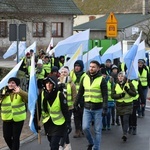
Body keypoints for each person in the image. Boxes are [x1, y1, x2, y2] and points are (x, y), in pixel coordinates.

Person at [75, 60, 108, 150]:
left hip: (98, 108)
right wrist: (75, 103)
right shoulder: (84, 77)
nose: (91, 68)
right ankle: (91, 142)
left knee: (98, 130)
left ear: (98, 68)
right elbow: (80, 92)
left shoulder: (102, 80)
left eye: (93, 67)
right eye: (90, 66)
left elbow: (105, 95)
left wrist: (105, 107)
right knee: (85, 128)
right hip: (87, 108)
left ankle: (96, 148)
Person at [34, 76, 71, 150]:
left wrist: (68, 123)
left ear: (54, 85)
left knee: (54, 145)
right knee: (51, 143)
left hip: (59, 123)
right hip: (48, 123)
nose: (48, 85)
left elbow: (65, 110)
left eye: (50, 83)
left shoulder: (59, 94)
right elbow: (38, 110)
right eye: (46, 83)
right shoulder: (42, 95)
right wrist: (36, 123)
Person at [0, 77, 28, 150]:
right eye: (9, 82)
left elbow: (28, 99)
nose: (10, 84)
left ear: (17, 84)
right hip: (6, 118)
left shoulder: (20, 92)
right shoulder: (3, 92)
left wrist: (20, 92)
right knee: (6, 137)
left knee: (15, 137)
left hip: (18, 119)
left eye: (13, 83)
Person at [111, 72, 136, 142]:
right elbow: (112, 95)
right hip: (119, 105)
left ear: (124, 77)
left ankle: (125, 133)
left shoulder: (129, 84)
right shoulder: (115, 85)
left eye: (122, 76)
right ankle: (124, 131)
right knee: (122, 119)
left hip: (128, 104)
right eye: (119, 76)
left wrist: (128, 90)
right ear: (117, 78)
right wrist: (120, 96)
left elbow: (134, 94)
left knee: (125, 119)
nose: (120, 77)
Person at [58, 67, 77, 150]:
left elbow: (74, 96)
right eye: (62, 72)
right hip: (59, 109)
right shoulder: (57, 82)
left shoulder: (71, 83)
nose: (63, 73)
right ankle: (68, 144)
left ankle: (61, 144)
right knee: (62, 127)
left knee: (66, 126)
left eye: (65, 72)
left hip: (68, 108)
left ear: (68, 73)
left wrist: (74, 105)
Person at [70, 60, 86, 138]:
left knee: (82, 114)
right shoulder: (72, 75)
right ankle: (77, 130)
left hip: (83, 98)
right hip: (74, 98)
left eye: (78, 66)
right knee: (76, 115)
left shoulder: (84, 75)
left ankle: (83, 129)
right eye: (75, 66)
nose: (76, 67)